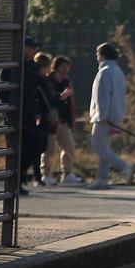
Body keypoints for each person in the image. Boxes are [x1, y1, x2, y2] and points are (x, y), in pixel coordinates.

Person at [88, 42, 135, 190]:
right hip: (116, 116)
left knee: (99, 147)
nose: (97, 58)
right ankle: (102, 179)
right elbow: (121, 96)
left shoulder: (104, 72)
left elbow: (103, 96)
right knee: (105, 148)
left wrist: (102, 115)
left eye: (97, 54)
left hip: (104, 117)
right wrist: (122, 114)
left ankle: (124, 167)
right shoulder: (118, 71)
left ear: (102, 55)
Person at [42, 55, 84, 186]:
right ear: (56, 66)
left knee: (69, 147)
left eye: (67, 68)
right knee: (49, 148)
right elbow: (49, 99)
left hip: (63, 121)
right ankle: (46, 174)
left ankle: (67, 174)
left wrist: (71, 119)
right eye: (63, 67)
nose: (65, 70)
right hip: (51, 120)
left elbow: (70, 103)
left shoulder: (67, 81)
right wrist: (60, 97)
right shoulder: (48, 80)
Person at [23, 53, 56, 189]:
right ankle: (32, 175)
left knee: (38, 148)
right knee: (36, 148)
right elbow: (40, 98)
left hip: (40, 117)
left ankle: (33, 175)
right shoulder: (39, 79)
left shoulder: (40, 79)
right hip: (38, 118)